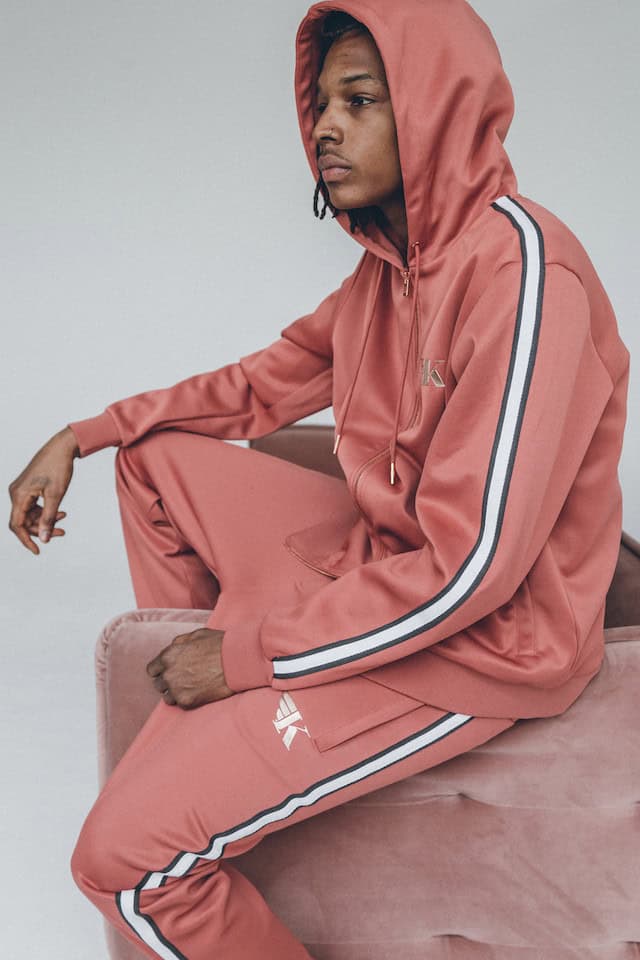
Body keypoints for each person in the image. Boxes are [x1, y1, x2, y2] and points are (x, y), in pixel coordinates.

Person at [8, 1, 630, 958]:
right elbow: (261, 384)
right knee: (153, 461)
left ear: (434, 108)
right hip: (376, 562)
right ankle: (201, 761)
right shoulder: (394, 266)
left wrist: (250, 657)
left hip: (478, 642)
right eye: (322, 104)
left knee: (119, 864)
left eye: (361, 101)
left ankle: (203, 771)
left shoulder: (525, 279)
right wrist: (84, 434)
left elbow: (472, 573)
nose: (326, 128)